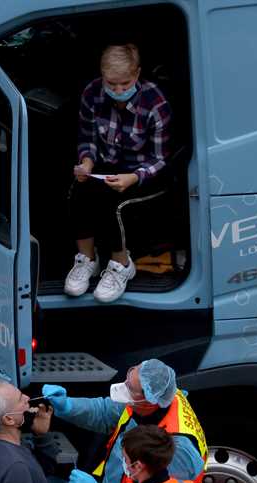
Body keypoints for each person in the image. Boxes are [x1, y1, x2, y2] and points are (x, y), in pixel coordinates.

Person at [41, 358, 207, 483]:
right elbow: (104, 412)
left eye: (131, 387)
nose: (124, 388)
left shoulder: (177, 451)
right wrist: (67, 406)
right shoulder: (147, 402)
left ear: (149, 400)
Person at [64, 44, 173, 304]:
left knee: (114, 204)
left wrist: (133, 177)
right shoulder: (92, 94)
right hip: (106, 169)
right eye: (112, 84)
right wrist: (87, 163)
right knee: (78, 191)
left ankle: (121, 264)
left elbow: (161, 159)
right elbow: (87, 138)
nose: (119, 90)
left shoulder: (156, 104)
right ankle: (87, 261)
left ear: (137, 75)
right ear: (102, 76)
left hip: (144, 174)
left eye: (125, 83)